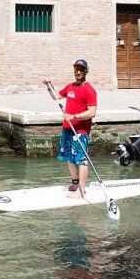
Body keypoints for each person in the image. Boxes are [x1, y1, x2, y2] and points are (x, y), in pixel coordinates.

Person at [43, 59, 97, 198]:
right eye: (76, 69)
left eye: (81, 69)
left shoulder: (89, 90)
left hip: (80, 131)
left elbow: (92, 112)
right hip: (67, 129)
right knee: (69, 158)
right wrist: (48, 86)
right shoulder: (70, 86)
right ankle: (75, 183)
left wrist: (73, 116)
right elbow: (55, 97)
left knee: (81, 159)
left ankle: (81, 191)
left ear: (86, 71)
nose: (78, 72)